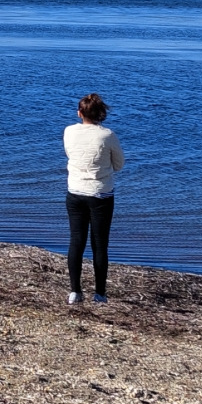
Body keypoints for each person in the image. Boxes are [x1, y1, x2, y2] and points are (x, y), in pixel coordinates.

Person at [63, 93, 124, 305]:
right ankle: (99, 293)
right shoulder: (107, 135)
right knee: (99, 245)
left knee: (76, 242)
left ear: (79, 113)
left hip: (75, 191)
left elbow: (71, 154)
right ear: (101, 114)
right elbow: (119, 164)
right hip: (101, 194)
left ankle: (75, 291)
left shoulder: (69, 131)